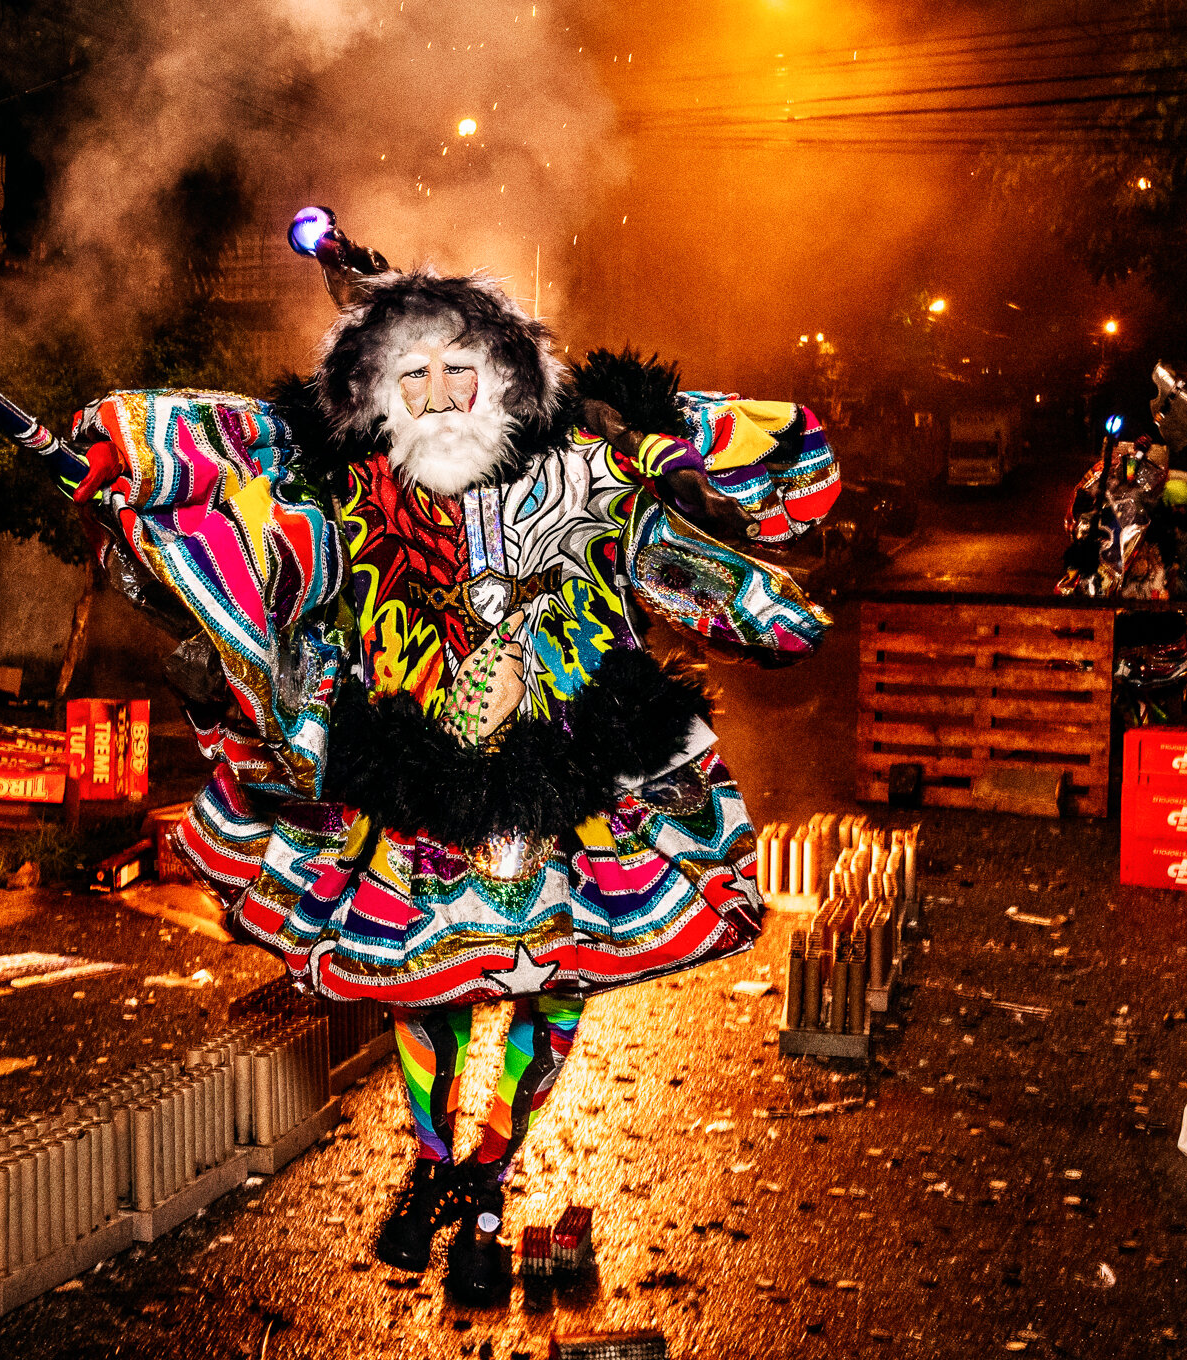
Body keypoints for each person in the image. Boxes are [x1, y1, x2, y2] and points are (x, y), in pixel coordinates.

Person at [69, 260, 840, 1285]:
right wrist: (160, 534)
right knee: (424, 985)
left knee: (552, 985)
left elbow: (671, 547)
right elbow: (276, 552)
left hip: (567, 774)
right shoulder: (356, 488)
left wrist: (754, 601)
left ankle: (487, 1171)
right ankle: (441, 1168)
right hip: (422, 776)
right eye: (412, 376)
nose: (436, 397)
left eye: (457, 371)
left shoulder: (577, 469)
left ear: (507, 376)